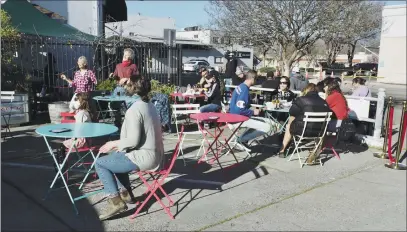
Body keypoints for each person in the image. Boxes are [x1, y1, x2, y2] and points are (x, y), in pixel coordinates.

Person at [95, 76, 164, 220]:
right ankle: (127, 195)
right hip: (157, 155)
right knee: (118, 156)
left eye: (127, 84)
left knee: (101, 163)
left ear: (132, 88)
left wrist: (113, 143)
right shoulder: (149, 105)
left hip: (145, 157)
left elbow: (133, 140)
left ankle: (115, 202)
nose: (124, 86)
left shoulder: (135, 109)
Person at [277, 83, 331, 158]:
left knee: (289, 124)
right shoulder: (324, 102)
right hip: (320, 132)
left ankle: (282, 150)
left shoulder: (301, 100)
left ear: (306, 90)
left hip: (302, 131)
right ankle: (315, 150)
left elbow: (292, 113)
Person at [229, 70, 278, 148]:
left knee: (268, 122)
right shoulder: (244, 89)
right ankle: (242, 140)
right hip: (238, 119)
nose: (256, 81)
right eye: (256, 79)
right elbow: (239, 110)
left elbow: (238, 105)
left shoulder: (240, 86)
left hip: (233, 116)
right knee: (267, 127)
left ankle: (244, 139)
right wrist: (253, 112)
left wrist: (252, 107)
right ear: (252, 79)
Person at [54, 92, 92, 173]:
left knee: (60, 146)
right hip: (85, 139)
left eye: (76, 100)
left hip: (81, 140)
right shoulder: (84, 112)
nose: (74, 102)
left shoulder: (81, 114)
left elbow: (78, 129)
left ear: (81, 102)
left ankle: (61, 166)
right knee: (61, 145)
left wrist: (69, 131)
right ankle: (62, 165)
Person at [109, 48, 140, 127]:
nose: (124, 57)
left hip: (128, 90)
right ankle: (117, 122)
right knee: (113, 104)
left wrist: (128, 79)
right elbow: (116, 77)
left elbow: (137, 78)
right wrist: (112, 76)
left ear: (130, 57)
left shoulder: (133, 66)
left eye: (126, 55)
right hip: (119, 89)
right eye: (124, 55)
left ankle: (129, 124)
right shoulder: (118, 66)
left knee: (128, 107)